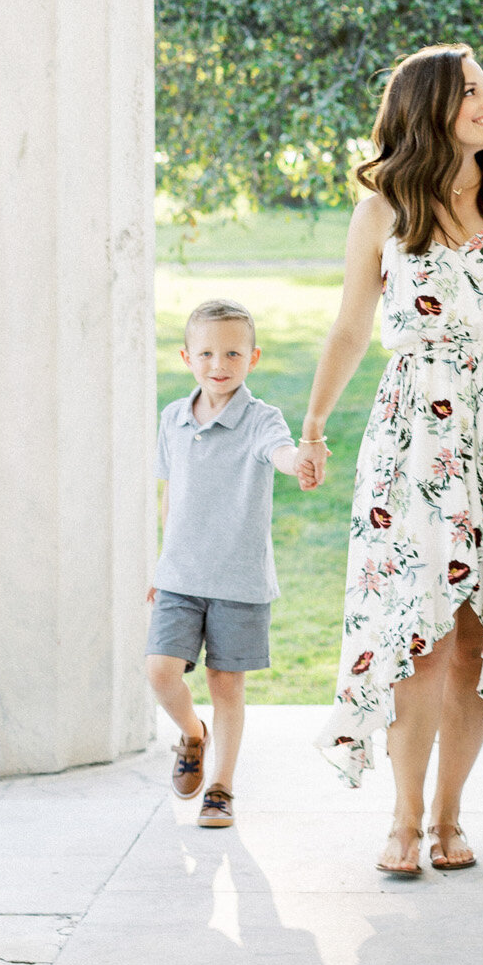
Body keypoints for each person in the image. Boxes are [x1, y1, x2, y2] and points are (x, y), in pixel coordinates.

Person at [301, 44, 483, 877]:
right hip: (415, 437)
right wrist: (316, 425)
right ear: (429, 107)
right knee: (422, 631)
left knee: (476, 634)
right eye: (470, 90)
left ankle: (448, 818)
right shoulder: (384, 212)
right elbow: (349, 330)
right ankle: (400, 821)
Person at [145, 299, 310, 830]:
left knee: (226, 684)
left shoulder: (263, 419)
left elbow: (280, 453)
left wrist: (299, 461)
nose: (220, 363)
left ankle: (221, 787)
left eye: (233, 353)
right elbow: (172, 493)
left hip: (239, 580)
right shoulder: (172, 416)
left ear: (253, 357)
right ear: (186, 356)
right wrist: (161, 561)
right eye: (208, 352)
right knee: (160, 672)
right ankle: (193, 735)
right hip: (179, 576)